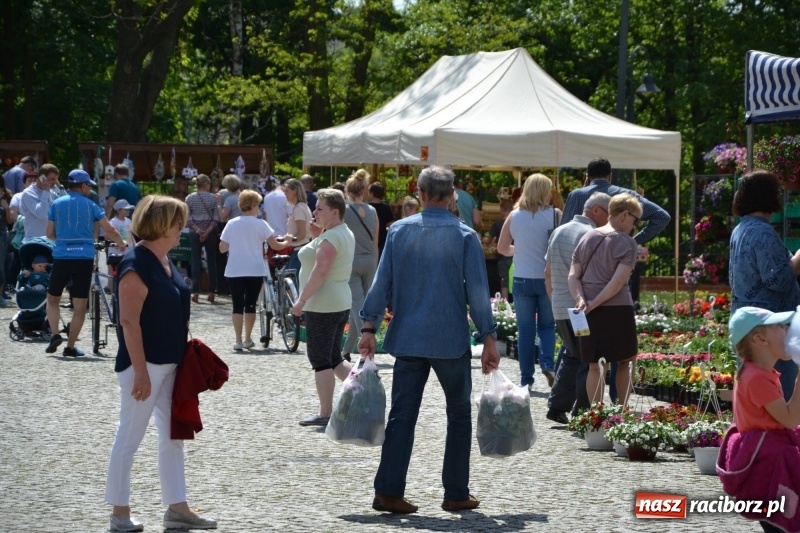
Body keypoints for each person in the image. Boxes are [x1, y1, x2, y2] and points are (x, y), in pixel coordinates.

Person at [358, 166, 499, 515]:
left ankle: (388, 491)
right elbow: (478, 292)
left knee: (402, 415)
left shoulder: (399, 231)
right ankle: (455, 492)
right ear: (452, 196)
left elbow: (382, 281)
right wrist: (489, 337)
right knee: (458, 414)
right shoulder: (465, 235)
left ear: (420, 194)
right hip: (450, 338)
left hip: (408, 336)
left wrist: (369, 327)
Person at [104, 195, 217, 532]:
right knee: (129, 438)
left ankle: (177, 508)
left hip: (170, 364)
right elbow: (128, 322)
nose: (183, 228)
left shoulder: (163, 259)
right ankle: (119, 513)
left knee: (173, 436)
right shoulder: (136, 263)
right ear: (162, 225)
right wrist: (141, 372)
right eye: (178, 222)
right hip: (145, 366)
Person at [718, 306, 800, 533]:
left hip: (768, 459)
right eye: (780, 326)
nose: (789, 330)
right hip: (768, 465)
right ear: (760, 339)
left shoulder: (759, 373)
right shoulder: (756, 379)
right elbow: (790, 419)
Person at [729, 170, 800, 400]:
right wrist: (797, 260)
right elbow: (777, 280)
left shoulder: (740, 229)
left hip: (747, 321)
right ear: (768, 196)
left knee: (754, 392)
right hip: (770, 326)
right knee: (778, 394)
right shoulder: (763, 232)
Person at [568, 193, 642, 406]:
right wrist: (594, 303)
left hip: (587, 311)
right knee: (625, 361)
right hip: (617, 309)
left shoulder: (587, 237)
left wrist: (582, 300)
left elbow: (573, 276)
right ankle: (622, 411)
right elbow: (617, 283)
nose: (634, 226)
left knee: (594, 365)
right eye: (635, 220)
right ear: (624, 215)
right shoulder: (628, 243)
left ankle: (596, 415)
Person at [543, 192, 610, 424]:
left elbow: (547, 272)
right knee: (587, 358)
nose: (610, 219)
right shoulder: (591, 235)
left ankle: (556, 406)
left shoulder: (559, 230)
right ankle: (582, 413)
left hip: (561, 306)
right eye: (609, 213)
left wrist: (554, 299)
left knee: (572, 354)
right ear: (596, 211)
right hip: (581, 309)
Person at [45, 170, 127, 357]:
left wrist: (64, 239)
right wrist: (121, 243)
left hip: (62, 256)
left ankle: (56, 334)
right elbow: (110, 229)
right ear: (82, 186)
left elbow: (49, 233)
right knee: (80, 305)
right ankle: (70, 347)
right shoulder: (91, 205)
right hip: (84, 257)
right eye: (89, 185)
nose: (90, 188)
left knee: (53, 299)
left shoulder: (56, 204)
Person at [290, 188, 355, 426]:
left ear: (335, 212)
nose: (314, 212)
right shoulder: (341, 232)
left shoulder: (331, 237)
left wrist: (302, 300)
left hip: (323, 304)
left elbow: (320, 272)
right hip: (338, 301)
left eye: (319, 208)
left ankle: (326, 413)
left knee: (320, 359)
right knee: (333, 357)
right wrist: (317, 235)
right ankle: (362, 389)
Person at [497, 174, 560, 389]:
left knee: (525, 330)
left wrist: (519, 249)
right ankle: (547, 364)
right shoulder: (555, 215)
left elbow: (502, 248)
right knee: (547, 326)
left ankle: (526, 379)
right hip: (547, 278)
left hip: (522, 278)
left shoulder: (514, 215)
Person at [219, 189, 288, 351]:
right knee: (250, 304)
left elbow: (222, 248)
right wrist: (288, 241)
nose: (260, 208)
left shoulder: (232, 223)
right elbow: (275, 245)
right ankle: (247, 338)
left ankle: (238, 340)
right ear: (253, 205)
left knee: (237, 305)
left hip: (235, 269)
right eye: (258, 204)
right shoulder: (261, 224)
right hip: (255, 269)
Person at [561, 158, 669, 247]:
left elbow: (563, 229)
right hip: (614, 254)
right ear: (610, 176)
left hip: (579, 252)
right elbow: (662, 216)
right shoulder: (628, 196)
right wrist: (633, 242)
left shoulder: (576, 195)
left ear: (587, 176)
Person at [341, 169, 379, 361]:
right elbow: (375, 241)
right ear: (364, 190)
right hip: (370, 260)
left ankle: (365, 346)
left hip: (351, 260)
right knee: (362, 306)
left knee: (357, 304)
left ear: (347, 191)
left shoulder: (344, 211)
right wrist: (376, 264)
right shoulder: (372, 211)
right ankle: (346, 350)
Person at [185, 174, 219, 303]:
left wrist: (198, 230)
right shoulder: (212, 198)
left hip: (195, 232)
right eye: (209, 183)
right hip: (210, 232)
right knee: (211, 261)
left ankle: (195, 291)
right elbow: (216, 218)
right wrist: (207, 231)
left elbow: (188, 218)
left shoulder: (190, 198)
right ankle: (211, 291)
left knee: (195, 260)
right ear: (205, 184)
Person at [20, 163, 59, 243]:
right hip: (34, 241)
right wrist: (45, 191)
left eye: (56, 179)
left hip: (50, 241)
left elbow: (66, 207)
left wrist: (60, 187)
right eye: (52, 179)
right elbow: (41, 214)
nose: (55, 182)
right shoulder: (28, 193)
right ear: (42, 178)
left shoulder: (51, 192)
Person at [282, 178, 313, 276]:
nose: (285, 194)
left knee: (291, 280)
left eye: (287, 191)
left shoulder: (298, 209)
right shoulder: (303, 206)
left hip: (298, 251)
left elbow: (301, 235)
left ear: (294, 191)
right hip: (301, 249)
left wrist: (288, 238)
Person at [489, 199, 514, 300]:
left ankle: (505, 302)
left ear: (504, 209)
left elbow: (489, 240)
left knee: (504, 282)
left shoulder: (498, 223)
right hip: (516, 256)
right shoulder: (517, 221)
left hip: (503, 257)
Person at [366, 182, 394, 257]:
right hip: (382, 239)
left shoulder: (367, 208)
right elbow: (391, 224)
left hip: (369, 238)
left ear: (371, 194)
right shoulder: (386, 208)